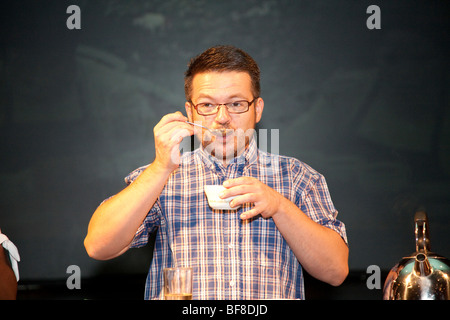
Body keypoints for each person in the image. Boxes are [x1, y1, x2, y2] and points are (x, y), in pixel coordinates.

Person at [84, 45, 348, 300]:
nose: (222, 118)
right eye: (208, 105)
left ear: (257, 109)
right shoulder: (161, 177)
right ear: (190, 112)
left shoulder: (298, 177)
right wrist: (161, 167)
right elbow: (98, 246)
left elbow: (335, 271)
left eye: (236, 104)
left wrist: (279, 206)